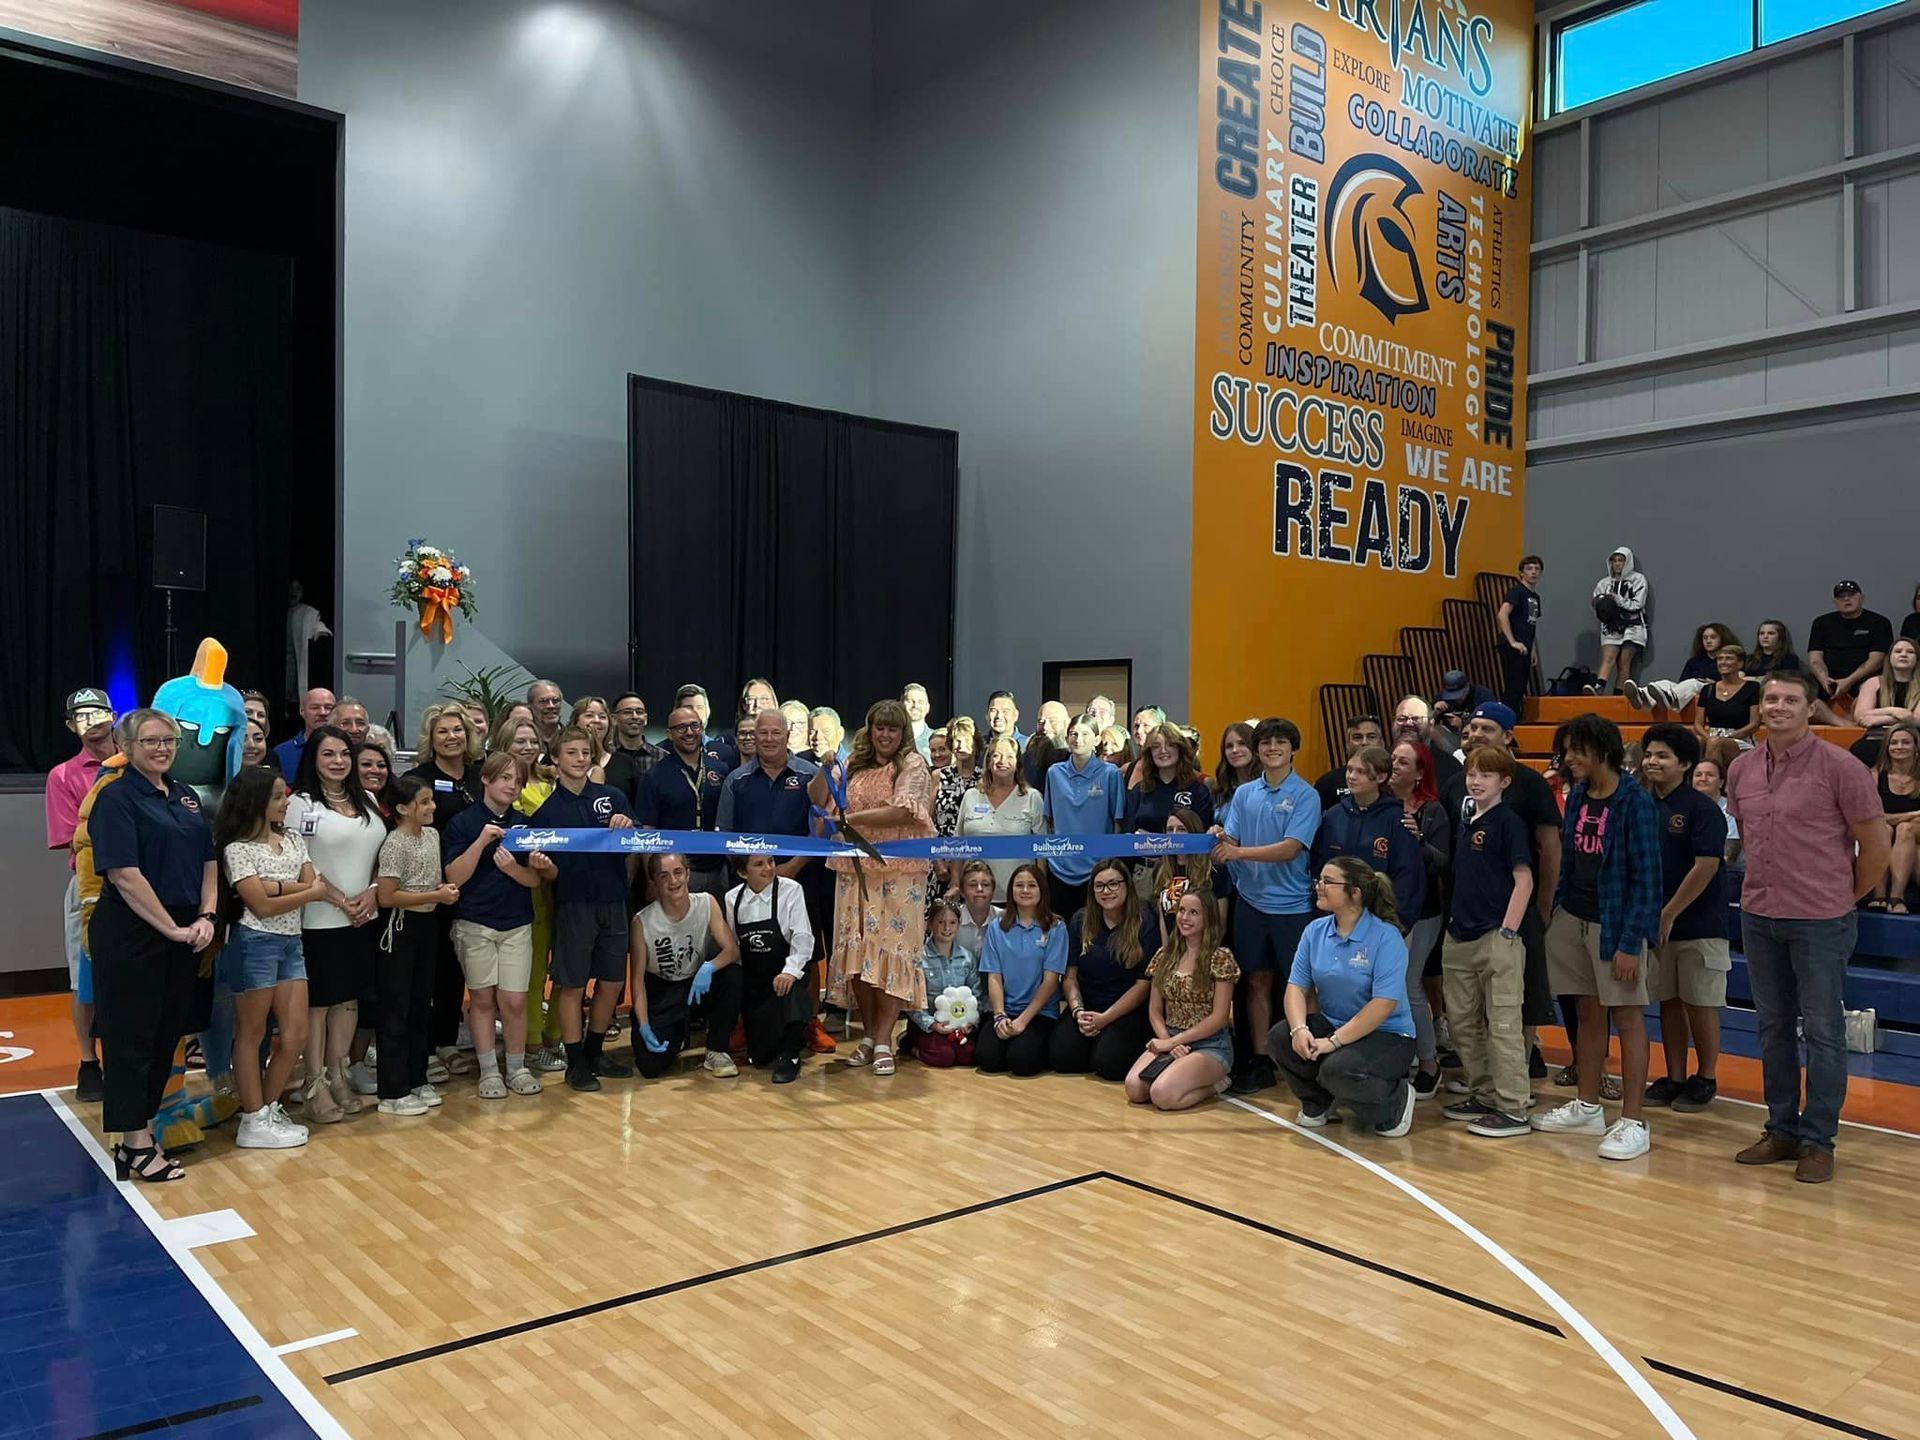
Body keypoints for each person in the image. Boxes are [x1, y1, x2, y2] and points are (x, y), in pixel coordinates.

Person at [1728, 672, 1888, 1183]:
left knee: (1823, 1031)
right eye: (1771, 698)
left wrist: (1845, 897)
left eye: (1791, 700)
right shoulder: (1742, 768)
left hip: (1821, 919)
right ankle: (1781, 1129)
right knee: (1772, 1027)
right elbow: (1748, 835)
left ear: (1810, 707)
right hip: (1759, 913)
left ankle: (1819, 1140)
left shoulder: (1841, 767)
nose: (1778, 706)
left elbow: (1877, 846)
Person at [87, 709, 218, 1181]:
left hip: (185, 931)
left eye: (169, 740)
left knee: (166, 1037)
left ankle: (140, 1134)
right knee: (130, 1039)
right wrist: (171, 929)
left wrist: (205, 916)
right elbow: (124, 874)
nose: (162, 748)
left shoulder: (184, 796)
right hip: (133, 932)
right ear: (128, 746)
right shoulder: (116, 798)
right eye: (151, 741)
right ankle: (135, 1142)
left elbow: (208, 859)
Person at [1532, 713, 1661, 1161]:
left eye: (1576, 750)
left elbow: (1648, 879)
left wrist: (1631, 941)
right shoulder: (1581, 796)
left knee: (1627, 1017)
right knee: (1587, 1012)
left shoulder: (1634, 802)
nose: (1568, 759)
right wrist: (1559, 910)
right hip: (1575, 917)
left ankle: (1633, 1120)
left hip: (1616, 924)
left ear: (1602, 750)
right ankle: (1588, 1106)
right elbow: (1569, 860)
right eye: (1565, 751)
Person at [1445, 703, 1563, 1088]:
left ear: (1509, 735)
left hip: (1511, 915)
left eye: (1488, 728)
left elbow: (1548, 846)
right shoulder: (1457, 784)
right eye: (1473, 726)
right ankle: (1484, 1085)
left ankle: (1515, 1085)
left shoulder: (1528, 786)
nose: (1477, 733)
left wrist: (1542, 905)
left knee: (1515, 1007)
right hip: (1465, 917)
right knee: (1465, 1010)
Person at [815, 699, 935, 1077]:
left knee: (892, 955)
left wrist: (850, 819)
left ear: (903, 734)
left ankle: (885, 1038)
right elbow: (818, 799)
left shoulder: (913, 765)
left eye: (893, 729)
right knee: (859, 954)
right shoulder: (853, 763)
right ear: (870, 729)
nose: (885, 735)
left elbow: (904, 811)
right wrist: (825, 767)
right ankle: (868, 1036)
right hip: (854, 871)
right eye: (879, 728)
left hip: (899, 874)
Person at [1211, 717, 1321, 1095]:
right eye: (1266, 743)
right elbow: (1233, 838)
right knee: (1256, 980)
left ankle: (1306, 1056)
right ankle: (1259, 1060)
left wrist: (1237, 850)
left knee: (1300, 986)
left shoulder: (1306, 795)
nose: (1272, 748)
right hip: (1252, 903)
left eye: (1280, 742)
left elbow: (1291, 848)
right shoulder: (1244, 794)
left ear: (1293, 749)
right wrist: (1221, 837)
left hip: (1292, 906)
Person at [525, 726, 638, 1092]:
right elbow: (553, 872)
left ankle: (594, 1051)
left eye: (584, 752)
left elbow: (634, 844)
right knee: (571, 984)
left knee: (612, 980)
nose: (578, 759)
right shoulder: (546, 812)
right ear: (554, 760)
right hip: (574, 904)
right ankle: (574, 1061)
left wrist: (626, 827)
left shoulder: (612, 797)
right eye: (570, 753)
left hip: (613, 899)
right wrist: (544, 867)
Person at [1271, 857, 1417, 1137]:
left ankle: (1394, 1102)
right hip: (1334, 1024)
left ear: (1355, 892)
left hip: (1389, 1035)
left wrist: (1333, 1042)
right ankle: (1319, 1102)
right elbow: (1295, 987)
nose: (1319, 886)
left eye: (1328, 881)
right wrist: (1299, 1029)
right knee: (1280, 1039)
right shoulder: (1315, 931)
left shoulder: (1386, 938)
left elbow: (1383, 1004)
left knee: (1337, 1070)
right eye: (1319, 879)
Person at [212, 765, 317, 1149]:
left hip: (292, 942)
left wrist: (275, 887)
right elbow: (261, 906)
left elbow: (308, 882)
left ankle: (267, 1109)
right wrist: (304, 893)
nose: (285, 802)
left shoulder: (291, 839)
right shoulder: (236, 849)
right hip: (254, 942)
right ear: (256, 802)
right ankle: (253, 1118)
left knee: (295, 1034)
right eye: (276, 796)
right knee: (252, 1032)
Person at [286, 725, 382, 1124]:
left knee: (349, 1000)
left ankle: (339, 1073)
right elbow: (298, 863)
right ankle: (314, 1082)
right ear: (313, 759)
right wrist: (341, 900)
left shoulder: (370, 799)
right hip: (321, 918)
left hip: (366, 917)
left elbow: (382, 854)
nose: (338, 761)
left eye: (344, 754)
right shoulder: (301, 805)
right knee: (320, 1004)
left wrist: (374, 891)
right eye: (328, 754)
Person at [717, 709, 828, 1051]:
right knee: (750, 953)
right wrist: (753, 873)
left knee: (806, 953)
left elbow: (823, 828)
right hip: (751, 882)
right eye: (760, 733)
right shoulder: (736, 780)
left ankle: (809, 1023)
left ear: (786, 734)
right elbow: (726, 836)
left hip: (803, 877)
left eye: (774, 733)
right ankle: (745, 1022)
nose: (767, 739)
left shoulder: (810, 775)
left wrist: (793, 866)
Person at [1438, 747, 1535, 1138]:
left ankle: (1514, 1107)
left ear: (1504, 782)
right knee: (1461, 1023)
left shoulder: (1508, 822)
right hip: (1458, 935)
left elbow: (1524, 879)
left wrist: (1507, 932)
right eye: (1472, 774)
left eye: (1487, 775)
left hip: (1496, 936)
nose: (1476, 781)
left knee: (1504, 1024)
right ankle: (1485, 1092)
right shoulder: (1467, 820)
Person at [1636, 725, 1729, 1115]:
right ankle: (1674, 1075)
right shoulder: (1644, 805)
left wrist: (1671, 911)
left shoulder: (1701, 809)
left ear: (1685, 764)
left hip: (1699, 925)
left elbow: (1706, 866)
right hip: (1657, 925)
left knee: (1700, 1002)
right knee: (1668, 1001)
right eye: (1649, 755)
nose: (1652, 762)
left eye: (1662, 756)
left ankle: (1705, 1077)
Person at [443, 753, 545, 1099]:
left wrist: (514, 870)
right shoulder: (463, 823)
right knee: (483, 998)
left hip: (516, 923)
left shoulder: (524, 825)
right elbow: (453, 876)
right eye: (503, 778)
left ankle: (516, 1066)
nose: (510, 785)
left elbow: (535, 879)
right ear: (485, 779)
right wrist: (482, 842)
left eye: (516, 780)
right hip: (475, 921)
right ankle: (488, 1071)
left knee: (515, 1000)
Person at [407, 703, 484, 1080]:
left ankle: (448, 1041)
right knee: (429, 970)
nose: (451, 737)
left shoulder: (481, 775)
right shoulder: (417, 778)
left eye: (457, 730)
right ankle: (423, 1048)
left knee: (456, 970)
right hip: (428, 889)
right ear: (430, 738)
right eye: (443, 731)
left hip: (477, 887)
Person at [372, 776, 456, 1115]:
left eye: (431, 800)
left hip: (427, 926)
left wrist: (437, 896)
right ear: (403, 809)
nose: (432, 807)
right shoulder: (395, 843)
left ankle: (417, 1078)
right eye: (424, 802)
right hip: (400, 927)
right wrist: (436, 895)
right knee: (397, 1007)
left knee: (422, 1003)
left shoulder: (432, 835)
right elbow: (386, 895)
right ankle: (392, 1091)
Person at [48, 686, 117, 1101]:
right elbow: (72, 838)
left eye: (99, 714)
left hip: (143, 881)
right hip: (92, 884)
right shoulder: (64, 775)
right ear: (72, 726)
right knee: (84, 980)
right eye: (83, 718)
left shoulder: (135, 763)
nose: (93, 724)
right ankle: (88, 1062)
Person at [1123, 887, 1237, 1110]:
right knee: (1134, 1088)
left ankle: (1217, 1085)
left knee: (1162, 1095)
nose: (1185, 918)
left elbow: (1220, 1017)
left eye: (1194, 912)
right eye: (1182, 910)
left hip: (1210, 1044)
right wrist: (1167, 1041)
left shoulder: (1221, 957)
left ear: (1208, 917)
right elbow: (1155, 1010)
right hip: (1170, 1037)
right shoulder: (1164, 956)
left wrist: (1175, 1042)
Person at [630, 853, 741, 1078]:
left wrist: (709, 967)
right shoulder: (642, 922)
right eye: (664, 876)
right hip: (662, 991)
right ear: (655, 882)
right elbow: (638, 981)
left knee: (732, 975)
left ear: (688, 874)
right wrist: (643, 1024)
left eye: (678, 872)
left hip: (696, 983)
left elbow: (732, 950)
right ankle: (677, 1037)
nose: (673, 881)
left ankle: (717, 1049)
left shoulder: (707, 902)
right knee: (650, 1067)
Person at [1053, 858, 1156, 1080]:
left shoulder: (1144, 921)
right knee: (1062, 1058)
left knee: (1109, 1065)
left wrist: (1106, 1018)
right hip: (1088, 1006)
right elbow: (1070, 977)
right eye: (1099, 885)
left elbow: (1143, 986)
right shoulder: (1080, 920)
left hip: (1126, 1010)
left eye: (1113, 884)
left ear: (1126, 885)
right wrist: (1077, 1011)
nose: (1106, 891)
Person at [1388, 741, 1449, 1096]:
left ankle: (1430, 1061)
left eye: (1404, 762)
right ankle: (1401, 1053)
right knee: (1386, 986)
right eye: (1393, 759)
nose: (1395, 766)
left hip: (1423, 910)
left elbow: (1444, 862)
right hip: (1385, 911)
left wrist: (1418, 838)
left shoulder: (1432, 810)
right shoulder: (1380, 805)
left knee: (1410, 983)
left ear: (1420, 772)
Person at [1311, 746, 1425, 931]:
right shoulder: (1333, 816)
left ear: (1381, 777)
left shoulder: (1397, 820)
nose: (1351, 776)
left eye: (1361, 772)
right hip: (1334, 919)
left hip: (1379, 922)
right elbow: (1318, 864)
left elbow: (1408, 878)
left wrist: (1395, 923)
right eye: (1349, 769)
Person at [724, 854, 815, 1083]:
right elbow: (734, 946)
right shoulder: (731, 899)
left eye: (771, 861)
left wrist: (789, 971)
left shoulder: (791, 890)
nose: (769, 868)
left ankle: (791, 1055)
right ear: (742, 873)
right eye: (759, 864)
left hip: (783, 975)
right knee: (760, 1056)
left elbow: (803, 939)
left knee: (794, 987)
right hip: (756, 983)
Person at [976, 863, 1067, 1075]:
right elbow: (994, 977)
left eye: (1031, 885)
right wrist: (999, 1016)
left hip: (1039, 1013)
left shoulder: (1056, 927)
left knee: (1022, 1063)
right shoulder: (997, 927)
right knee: (987, 1060)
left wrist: (1023, 1021)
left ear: (1042, 890)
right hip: (1006, 1009)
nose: (1025, 891)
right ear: (1011, 890)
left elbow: (1051, 981)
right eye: (1019, 885)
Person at [636, 703, 729, 897]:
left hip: (719, 869)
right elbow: (647, 832)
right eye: (681, 728)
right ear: (669, 734)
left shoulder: (720, 769)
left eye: (695, 726)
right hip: (676, 873)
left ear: (702, 729)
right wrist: (651, 879)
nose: (689, 732)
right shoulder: (655, 776)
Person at [1043, 714, 1126, 918]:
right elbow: (1049, 821)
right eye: (1073, 734)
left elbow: (1117, 823)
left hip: (1097, 870)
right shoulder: (1054, 773)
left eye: (1085, 734)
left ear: (1097, 740)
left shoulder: (1110, 774)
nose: (1078, 739)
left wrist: (1109, 865)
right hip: (1059, 868)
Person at [959, 735, 1046, 900]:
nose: (1001, 761)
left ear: (1018, 763)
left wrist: (1040, 892)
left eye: (1009, 756)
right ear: (988, 761)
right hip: (976, 896)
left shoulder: (1032, 797)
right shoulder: (971, 796)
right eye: (996, 755)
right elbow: (958, 845)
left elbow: (1042, 851)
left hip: (1018, 896)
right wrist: (956, 884)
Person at [904, 897, 983, 1068]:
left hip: (958, 1025)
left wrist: (970, 1023)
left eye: (952, 922)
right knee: (943, 1057)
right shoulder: (919, 959)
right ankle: (911, 1046)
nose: (947, 928)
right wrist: (932, 1024)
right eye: (940, 922)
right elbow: (912, 1001)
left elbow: (977, 995)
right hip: (929, 1024)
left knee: (968, 1056)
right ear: (930, 924)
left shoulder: (967, 958)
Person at [1808, 581, 1893, 714]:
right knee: (1801, 692)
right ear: (1835, 602)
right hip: (1829, 680)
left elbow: (1877, 660)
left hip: (1864, 678)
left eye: (1851, 595)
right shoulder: (1821, 623)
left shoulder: (1879, 622)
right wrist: (1824, 679)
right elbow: (1815, 659)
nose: (1846, 599)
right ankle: (1840, 723)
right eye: (1841, 596)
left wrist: (1848, 681)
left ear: (1862, 598)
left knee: (1876, 689)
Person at [1623, 622, 1741, 712]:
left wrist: (1713, 682)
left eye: (1713, 637)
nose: (1708, 641)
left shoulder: (1728, 660)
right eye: (1705, 638)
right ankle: (1643, 697)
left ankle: (1671, 699)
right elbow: (1682, 682)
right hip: (1691, 690)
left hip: (1713, 690)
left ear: (1722, 639)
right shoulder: (1695, 661)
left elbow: (1736, 681)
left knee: (1695, 682)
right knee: (1664, 683)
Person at [1867, 722, 1920, 911]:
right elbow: (1871, 817)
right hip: (1888, 832)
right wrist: (1911, 814)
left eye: (1906, 742)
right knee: (1883, 829)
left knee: (1905, 829)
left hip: (1916, 834)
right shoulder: (1875, 775)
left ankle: (1896, 898)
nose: (1899, 747)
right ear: (1887, 748)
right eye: (1894, 743)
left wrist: (1893, 818)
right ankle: (1879, 896)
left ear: (1916, 747)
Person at [1128, 724, 1215, 833]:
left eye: (1170, 745)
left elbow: (1203, 834)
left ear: (1180, 749)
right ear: (1149, 753)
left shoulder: (1198, 791)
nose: (1163, 750)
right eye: (1156, 746)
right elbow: (1127, 834)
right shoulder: (1139, 791)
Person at [1588, 546, 1648, 694]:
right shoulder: (1604, 583)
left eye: (1621, 560)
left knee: (1624, 661)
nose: (1617, 564)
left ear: (1627, 562)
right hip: (1610, 626)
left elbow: (1638, 603)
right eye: (1614, 560)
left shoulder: (1638, 579)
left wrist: (1619, 600)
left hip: (1633, 626)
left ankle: (1618, 695)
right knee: (1608, 657)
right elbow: (1596, 602)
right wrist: (1604, 604)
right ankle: (1598, 688)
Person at [1496, 556, 1544, 713]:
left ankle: (1513, 717)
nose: (1533, 572)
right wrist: (1512, 641)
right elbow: (1502, 614)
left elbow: (1532, 625)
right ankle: (1508, 721)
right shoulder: (1517, 591)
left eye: (1536, 569)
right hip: (1514, 644)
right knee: (1514, 686)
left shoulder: (1535, 597)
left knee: (1521, 685)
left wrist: (1533, 650)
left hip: (1525, 646)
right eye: (1529, 569)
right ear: (1522, 573)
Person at [603, 691, 668, 806]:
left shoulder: (663, 758)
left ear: (646, 718)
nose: (634, 716)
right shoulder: (605, 755)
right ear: (613, 719)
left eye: (639, 712)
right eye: (627, 712)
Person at [1313, 714, 1384, 812]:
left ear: (1382, 743)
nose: (1364, 742)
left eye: (1371, 737)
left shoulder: (1393, 779)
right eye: (1357, 737)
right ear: (1347, 745)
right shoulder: (1327, 783)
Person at [1393, 695, 1462, 789]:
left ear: (1431, 724)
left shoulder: (1450, 767)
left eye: (1415, 718)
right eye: (1401, 719)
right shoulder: (1383, 762)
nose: (1408, 723)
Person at [1854, 637, 1920, 733]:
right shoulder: (1873, 683)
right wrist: (1893, 711)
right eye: (1898, 651)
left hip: (1914, 738)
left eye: (1910, 652)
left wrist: (1883, 719)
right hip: (1877, 735)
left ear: (1917, 659)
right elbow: (1860, 715)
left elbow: (1917, 719)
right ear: (1889, 658)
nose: (1904, 654)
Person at [273, 687, 335, 782]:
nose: (323, 713)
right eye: (315, 707)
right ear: (302, 711)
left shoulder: (346, 751)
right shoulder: (281, 752)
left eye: (328, 708)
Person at [954, 860, 1001, 958]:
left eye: (986, 885)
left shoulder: (1004, 918)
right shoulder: (952, 918)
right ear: (962, 891)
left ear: (993, 890)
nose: (980, 889)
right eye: (972, 885)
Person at [1432, 671, 1495, 738]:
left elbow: (1492, 721)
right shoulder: (1441, 698)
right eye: (1451, 695)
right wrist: (1435, 712)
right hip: (1452, 739)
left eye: (1459, 694)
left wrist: (1463, 724)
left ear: (1467, 686)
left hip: (1479, 736)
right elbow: (1428, 723)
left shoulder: (1482, 695)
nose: (1456, 698)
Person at [1022, 701, 1069, 789]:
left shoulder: (1073, 759)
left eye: (1053, 721)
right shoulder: (1027, 758)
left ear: (1067, 724)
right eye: (1041, 722)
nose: (1045, 727)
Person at [1212, 722, 1259, 808]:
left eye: (1242, 743)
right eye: (1229, 746)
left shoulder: (1266, 787)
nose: (1235, 750)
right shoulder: (1219, 790)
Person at [354, 741, 393, 817]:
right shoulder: (343, 809)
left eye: (381, 765)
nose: (376, 770)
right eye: (366, 764)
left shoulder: (398, 807)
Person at [527, 679, 566, 749]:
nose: (551, 706)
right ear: (531, 706)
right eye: (543, 701)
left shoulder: (572, 738)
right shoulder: (525, 740)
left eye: (555, 701)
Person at [902, 682, 934, 759]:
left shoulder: (937, 739)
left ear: (927, 707)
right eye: (910, 701)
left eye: (920, 702)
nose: (915, 705)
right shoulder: (891, 738)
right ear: (900, 705)